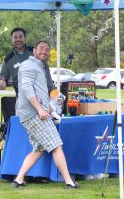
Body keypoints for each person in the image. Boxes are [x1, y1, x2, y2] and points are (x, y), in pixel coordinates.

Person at [12, 40, 78, 189]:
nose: (44, 51)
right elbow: (27, 89)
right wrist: (40, 110)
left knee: (39, 149)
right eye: (41, 48)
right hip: (33, 113)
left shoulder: (40, 66)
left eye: (47, 49)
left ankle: (18, 179)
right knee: (57, 145)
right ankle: (69, 181)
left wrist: (52, 109)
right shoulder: (28, 65)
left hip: (34, 112)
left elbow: (44, 92)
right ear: (34, 50)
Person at [0, 27, 53, 95]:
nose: (18, 39)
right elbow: (2, 78)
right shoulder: (8, 59)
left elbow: (45, 69)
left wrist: (51, 91)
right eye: (15, 37)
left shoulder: (35, 51)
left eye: (21, 37)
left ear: (24, 38)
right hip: (22, 98)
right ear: (12, 39)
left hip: (40, 95)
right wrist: (1, 83)